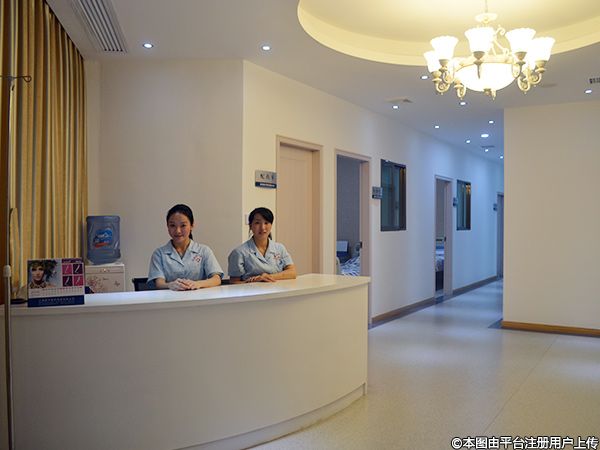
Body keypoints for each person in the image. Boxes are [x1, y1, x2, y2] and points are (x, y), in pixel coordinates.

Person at [148, 204, 223, 290]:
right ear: (167, 227)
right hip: (171, 297)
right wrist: (170, 285)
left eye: (183, 225)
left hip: (199, 297)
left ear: (192, 225)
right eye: (172, 225)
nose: (178, 231)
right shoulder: (159, 254)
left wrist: (197, 284)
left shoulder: (204, 250)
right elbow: (159, 283)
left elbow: (216, 279)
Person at [228, 207, 297, 283]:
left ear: (271, 225)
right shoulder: (239, 253)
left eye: (266, 223)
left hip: (277, 289)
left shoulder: (279, 248)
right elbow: (234, 282)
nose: (262, 227)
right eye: (257, 223)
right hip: (252, 290)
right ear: (250, 226)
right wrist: (255, 281)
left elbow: (292, 272)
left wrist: (268, 277)